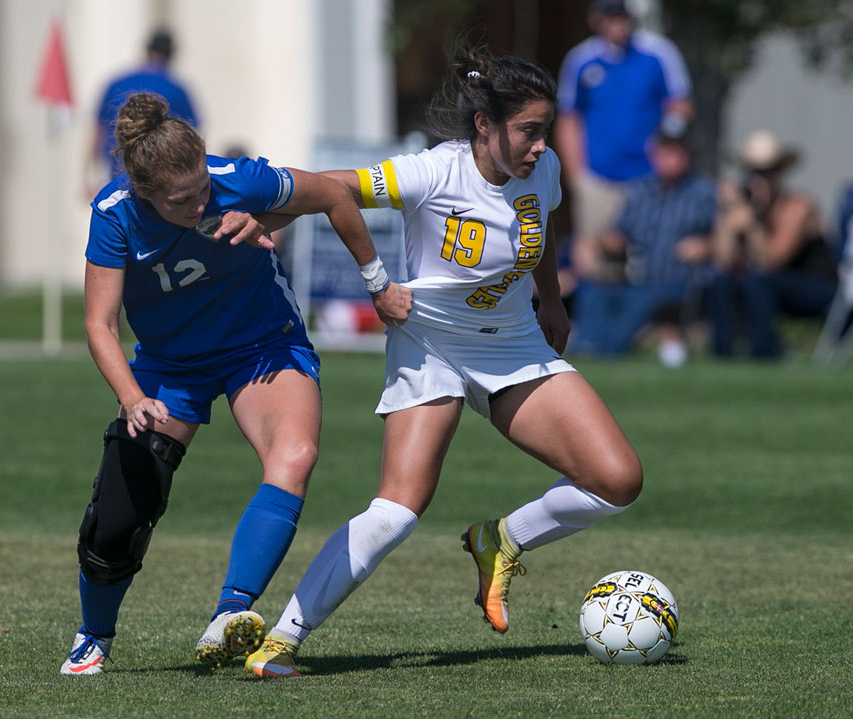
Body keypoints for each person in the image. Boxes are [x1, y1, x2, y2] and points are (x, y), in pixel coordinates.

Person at [242, 42, 643, 679]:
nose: (541, 146)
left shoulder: (543, 169)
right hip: (430, 343)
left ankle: (501, 539)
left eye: (545, 132)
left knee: (617, 480)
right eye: (528, 132)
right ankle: (282, 639)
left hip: (512, 342)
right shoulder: (432, 173)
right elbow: (332, 187)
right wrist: (261, 210)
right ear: (485, 126)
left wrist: (553, 301)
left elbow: (540, 227)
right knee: (398, 509)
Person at [59, 93, 411, 676]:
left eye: (203, 188)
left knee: (294, 455)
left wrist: (375, 281)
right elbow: (99, 324)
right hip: (169, 366)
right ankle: (93, 635)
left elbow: (332, 194)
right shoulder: (114, 211)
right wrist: (132, 398)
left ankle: (232, 614)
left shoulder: (234, 178)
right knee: (121, 511)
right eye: (182, 199)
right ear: (146, 193)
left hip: (262, 345)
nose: (201, 203)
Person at [556, 0, 693, 285]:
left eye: (623, 17)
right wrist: (576, 176)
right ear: (596, 20)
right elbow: (569, 119)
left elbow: (679, 105)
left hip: (647, 175)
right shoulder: (580, 59)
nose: (619, 24)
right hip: (598, 173)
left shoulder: (658, 52)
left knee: (648, 253)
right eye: (612, 17)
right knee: (592, 254)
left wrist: (667, 149)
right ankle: (595, 321)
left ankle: (650, 321)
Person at [569, 115, 716, 366]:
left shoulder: (704, 193)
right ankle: (584, 347)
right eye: (666, 149)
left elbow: (723, 239)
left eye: (678, 150)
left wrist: (708, 245)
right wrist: (610, 242)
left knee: (641, 302)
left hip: (678, 281)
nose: (672, 156)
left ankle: (607, 352)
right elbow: (617, 231)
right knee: (593, 291)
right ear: (655, 152)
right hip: (637, 278)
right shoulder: (639, 191)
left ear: (688, 152)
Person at [710, 130, 837, 358]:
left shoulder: (798, 206)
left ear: (779, 173)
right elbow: (722, 262)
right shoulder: (744, 208)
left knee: (758, 282)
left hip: (817, 288)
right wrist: (726, 220)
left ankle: (765, 354)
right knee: (721, 283)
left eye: (766, 172)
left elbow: (772, 262)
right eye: (753, 172)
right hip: (768, 286)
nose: (759, 179)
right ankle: (722, 355)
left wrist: (753, 226)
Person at [85, 29, 199, 194]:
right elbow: (191, 137)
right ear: (171, 53)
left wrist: (88, 176)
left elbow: (98, 132)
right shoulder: (176, 88)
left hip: (118, 176)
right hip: (162, 184)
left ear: (146, 50)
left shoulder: (115, 83)